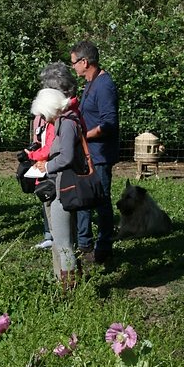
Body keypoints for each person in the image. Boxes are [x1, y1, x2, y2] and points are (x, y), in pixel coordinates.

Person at [70, 41, 118, 264]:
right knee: (83, 199)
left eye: (74, 63)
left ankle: (104, 245)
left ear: (84, 62)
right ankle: (84, 243)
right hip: (86, 153)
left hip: (99, 154)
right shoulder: (90, 82)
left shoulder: (104, 85)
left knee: (100, 200)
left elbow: (109, 123)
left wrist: (83, 136)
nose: (73, 68)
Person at [32, 88, 84, 289]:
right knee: (65, 242)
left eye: (44, 114)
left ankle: (69, 291)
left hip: (64, 188)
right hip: (60, 185)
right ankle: (72, 286)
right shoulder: (67, 120)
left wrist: (47, 166)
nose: (45, 119)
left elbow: (67, 156)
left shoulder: (67, 123)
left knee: (64, 245)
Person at [27, 63, 81, 251]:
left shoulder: (66, 122)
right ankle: (65, 272)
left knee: (64, 237)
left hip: (61, 178)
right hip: (52, 173)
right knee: (58, 227)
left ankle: (68, 276)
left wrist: (43, 163)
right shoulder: (59, 119)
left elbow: (63, 154)